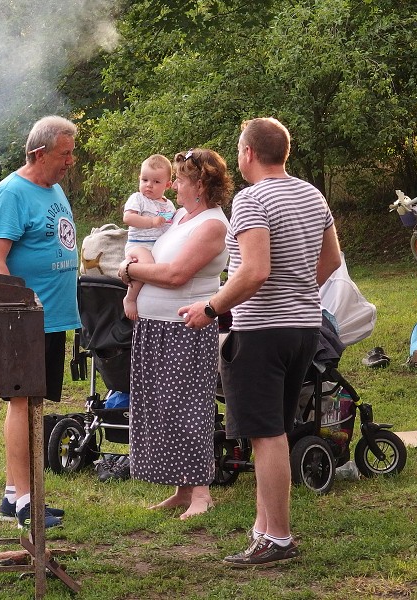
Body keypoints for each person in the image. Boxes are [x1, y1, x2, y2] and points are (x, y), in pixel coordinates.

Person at [179, 118, 342, 566]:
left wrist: (209, 309)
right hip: (305, 330)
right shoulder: (312, 195)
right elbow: (331, 260)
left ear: (248, 153)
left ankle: (279, 539)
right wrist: (299, 294)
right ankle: (262, 529)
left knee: (265, 435)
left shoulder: (251, 200)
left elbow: (254, 271)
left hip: (261, 333)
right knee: (273, 432)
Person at [117, 148, 232, 519]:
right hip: (155, 327)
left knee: (189, 410)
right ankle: (182, 489)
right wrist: (131, 262)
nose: (174, 186)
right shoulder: (181, 216)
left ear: (199, 185)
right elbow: (150, 254)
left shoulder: (213, 225)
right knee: (164, 410)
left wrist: (130, 271)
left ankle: (201, 493)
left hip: (187, 328)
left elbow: (175, 275)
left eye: (180, 179)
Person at [0, 115, 81, 529]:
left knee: (34, 403)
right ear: (39, 153)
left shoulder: (53, 187)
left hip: (53, 318)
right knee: (21, 404)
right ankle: (26, 501)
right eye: (65, 153)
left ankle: (12, 495)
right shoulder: (11, 194)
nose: (71, 161)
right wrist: (22, 304)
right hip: (25, 320)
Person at [121, 154, 176, 320]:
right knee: (147, 266)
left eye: (156, 182)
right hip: (139, 245)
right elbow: (128, 218)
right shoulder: (138, 198)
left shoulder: (169, 204)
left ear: (168, 184)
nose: (149, 185)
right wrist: (151, 222)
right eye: (144, 180)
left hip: (157, 246)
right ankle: (130, 298)